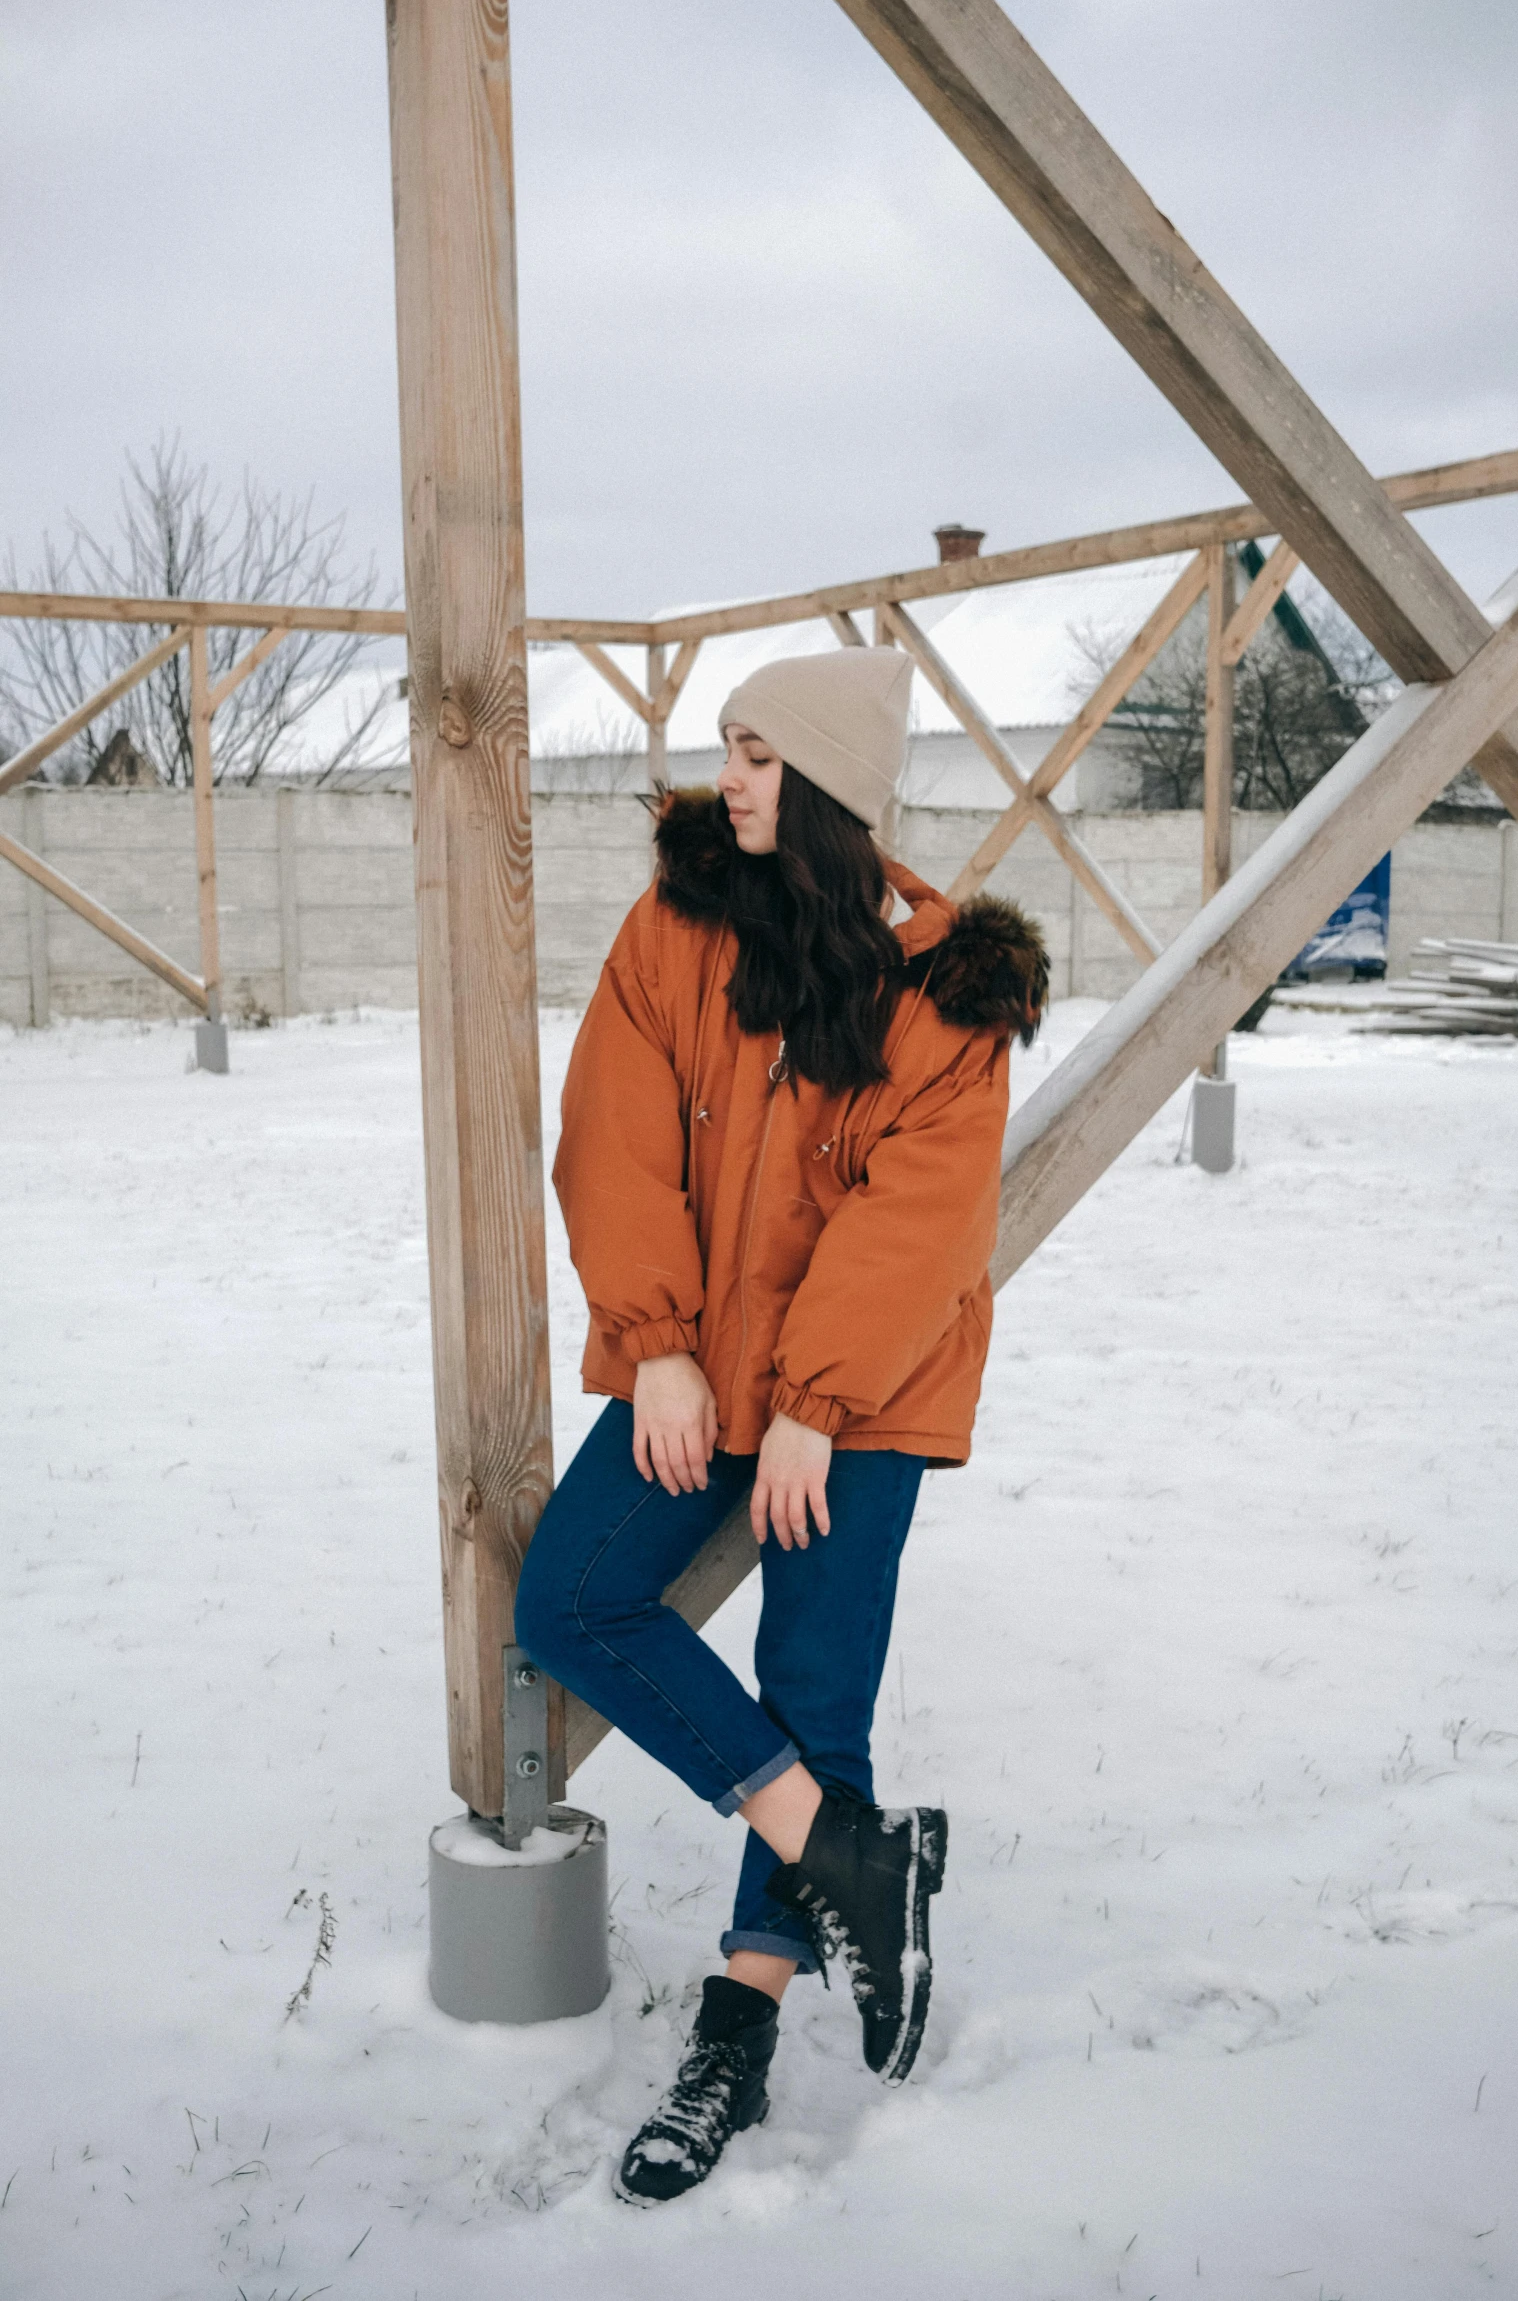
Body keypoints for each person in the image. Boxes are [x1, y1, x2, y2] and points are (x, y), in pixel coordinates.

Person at [516, 646, 1046, 2205]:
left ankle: (732, 2033)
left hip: (865, 1389)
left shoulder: (951, 991)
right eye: (725, 748)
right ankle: (854, 1861)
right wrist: (660, 1350)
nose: (724, 780)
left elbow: (921, 1223)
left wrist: (819, 1403)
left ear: (822, 784)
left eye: (754, 755)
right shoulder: (678, 924)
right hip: (699, 1361)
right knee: (570, 1597)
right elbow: (611, 1139)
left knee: (815, 1680)